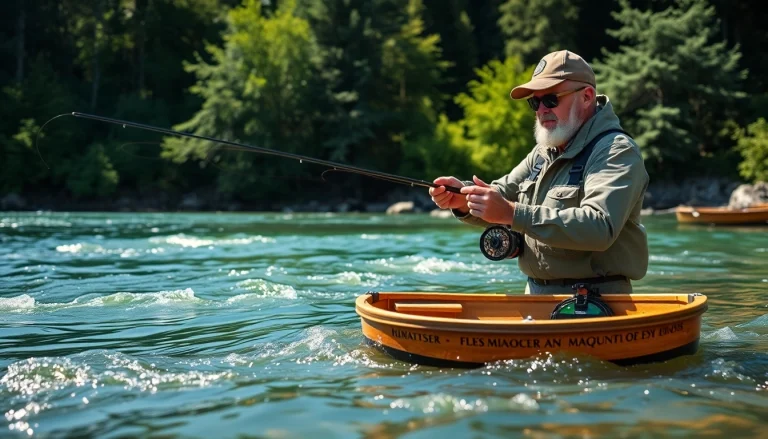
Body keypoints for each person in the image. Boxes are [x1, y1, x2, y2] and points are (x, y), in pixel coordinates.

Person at [429, 50, 649, 295]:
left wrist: (513, 213)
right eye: (535, 102)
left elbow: (599, 226)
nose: (542, 109)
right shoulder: (543, 152)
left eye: (551, 100)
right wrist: (462, 199)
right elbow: (500, 195)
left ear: (587, 96)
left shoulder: (616, 151)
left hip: (598, 302)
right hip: (535, 296)